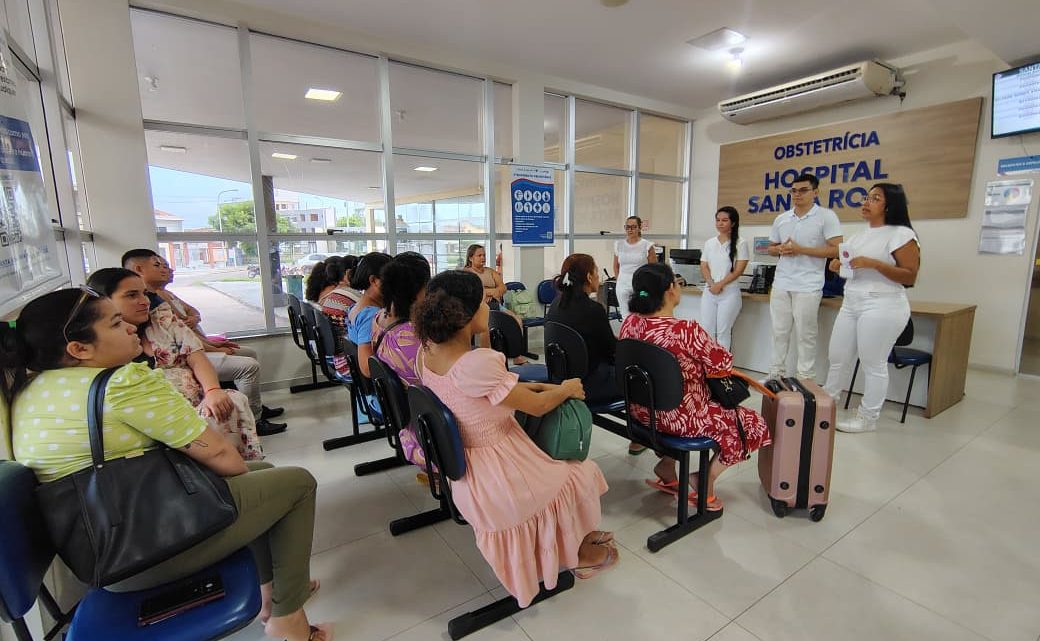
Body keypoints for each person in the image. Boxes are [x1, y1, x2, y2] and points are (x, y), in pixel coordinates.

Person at [1, 288, 328, 641]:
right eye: (116, 323)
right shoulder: (121, 381)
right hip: (148, 549)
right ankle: (288, 621)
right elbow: (222, 456)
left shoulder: (30, 387)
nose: (131, 328)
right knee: (297, 484)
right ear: (78, 349)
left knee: (264, 478)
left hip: (102, 546)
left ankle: (271, 594)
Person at [413, 271, 616, 607]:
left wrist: (549, 387)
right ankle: (576, 552)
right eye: (483, 301)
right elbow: (534, 407)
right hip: (499, 472)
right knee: (581, 473)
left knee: (569, 474)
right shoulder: (476, 363)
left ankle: (564, 545)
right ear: (463, 314)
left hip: (467, 472)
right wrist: (565, 388)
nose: (488, 306)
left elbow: (493, 391)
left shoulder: (427, 355)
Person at [620, 263, 771, 510]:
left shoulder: (630, 324)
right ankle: (704, 479)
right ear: (671, 289)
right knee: (754, 424)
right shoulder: (685, 331)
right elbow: (723, 362)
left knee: (676, 392)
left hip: (641, 412)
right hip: (681, 419)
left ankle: (667, 466)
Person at [88, 268, 270, 456]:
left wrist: (213, 390)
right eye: (132, 295)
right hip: (159, 417)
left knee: (230, 398)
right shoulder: (98, 342)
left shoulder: (162, 319)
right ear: (103, 302)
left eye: (145, 293)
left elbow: (196, 354)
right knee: (247, 366)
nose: (144, 301)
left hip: (197, 401)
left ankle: (236, 458)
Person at [121, 249, 286, 432]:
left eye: (166, 266)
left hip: (197, 350)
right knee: (248, 365)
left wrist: (212, 345)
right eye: (158, 265)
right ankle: (253, 420)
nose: (168, 270)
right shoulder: (152, 305)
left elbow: (191, 320)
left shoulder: (163, 297)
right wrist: (213, 348)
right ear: (138, 269)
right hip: (189, 362)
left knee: (249, 355)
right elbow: (186, 335)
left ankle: (253, 408)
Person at [823, 183, 921, 433]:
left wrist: (874, 264)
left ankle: (868, 417)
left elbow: (909, 276)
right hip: (852, 301)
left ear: (889, 205)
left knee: (872, 363)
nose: (866, 202)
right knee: (838, 357)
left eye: (875, 198)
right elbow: (853, 269)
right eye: (867, 197)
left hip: (883, 304)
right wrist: (838, 266)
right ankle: (826, 406)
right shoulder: (859, 234)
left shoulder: (901, 234)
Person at [766, 173, 843, 381]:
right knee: (779, 331)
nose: (797, 195)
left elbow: (836, 249)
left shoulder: (826, 217)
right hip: (782, 282)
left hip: (808, 284)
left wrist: (801, 250)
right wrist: (780, 248)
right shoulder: (782, 218)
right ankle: (776, 373)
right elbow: (770, 248)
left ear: (815, 192)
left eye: (803, 190)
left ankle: (805, 377)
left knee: (806, 334)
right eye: (794, 190)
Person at [371, 251, 431, 469]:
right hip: (426, 425)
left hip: (405, 414)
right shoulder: (412, 338)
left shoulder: (379, 319)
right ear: (416, 292)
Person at [545, 253, 621, 407]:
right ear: (588, 276)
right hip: (590, 383)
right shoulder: (593, 309)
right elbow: (611, 351)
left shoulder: (556, 304)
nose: (598, 277)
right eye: (597, 272)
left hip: (561, 378)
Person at [700, 206, 750, 350]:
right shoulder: (710, 243)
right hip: (710, 291)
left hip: (729, 293)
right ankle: (707, 366)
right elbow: (704, 265)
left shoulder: (741, 243)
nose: (720, 223)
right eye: (718, 220)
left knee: (723, 332)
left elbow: (738, 270)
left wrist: (720, 284)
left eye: (724, 220)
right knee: (706, 330)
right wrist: (711, 284)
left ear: (733, 223)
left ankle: (721, 369)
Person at [345, 251, 392, 379]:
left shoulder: (356, 307)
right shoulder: (371, 316)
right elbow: (367, 368)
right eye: (391, 279)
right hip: (376, 394)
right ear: (374, 280)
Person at [319, 255, 361, 377]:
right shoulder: (354, 298)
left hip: (339, 358)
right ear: (349, 273)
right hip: (349, 363)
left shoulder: (332, 295)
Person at [614, 215, 656, 319]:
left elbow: (654, 268)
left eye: (633, 227)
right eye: (627, 227)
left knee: (641, 314)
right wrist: (618, 279)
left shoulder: (647, 245)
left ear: (639, 227)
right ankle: (627, 334)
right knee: (625, 315)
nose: (630, 230)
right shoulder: (618, 244)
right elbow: (616, 266)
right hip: (622, 283)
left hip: (641, 285)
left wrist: (648, 285)